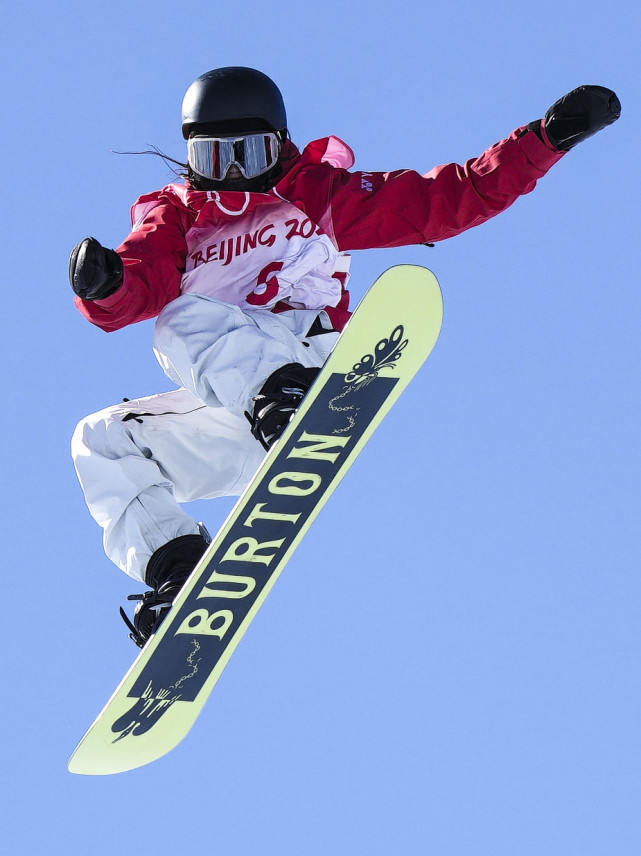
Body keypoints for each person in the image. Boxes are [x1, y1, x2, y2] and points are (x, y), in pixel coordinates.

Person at [69, 67, 620, 646]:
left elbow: (445, 199)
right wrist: (106, 285)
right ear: (189, 155)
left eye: (248, 152)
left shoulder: (317, 195)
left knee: (185, 316)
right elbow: (140, 283)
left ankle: (285, 397)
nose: (231, 173)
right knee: (101, 439)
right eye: (213, 157)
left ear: (278, 145)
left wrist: (542, 141)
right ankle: (180, 574)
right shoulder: (178, 216)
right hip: (242, 411)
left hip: (309, 363)